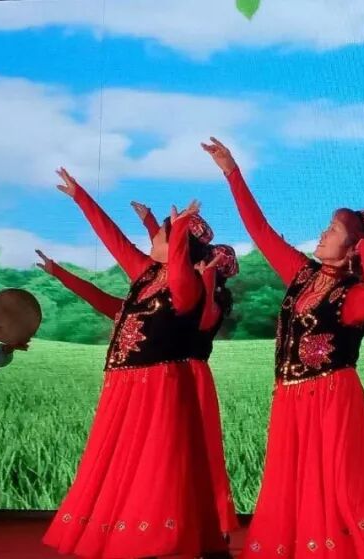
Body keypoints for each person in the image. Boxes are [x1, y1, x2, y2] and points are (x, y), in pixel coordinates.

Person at [202, 137, 364, 559]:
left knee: (342, 481)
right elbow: (261, 232)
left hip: (332, 395)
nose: (322, 232)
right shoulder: (302, 274)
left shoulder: (352, 295)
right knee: (293, 481)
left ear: (352, 248)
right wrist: (231, 172)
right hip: (291, 395)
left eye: (333, 230)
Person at [42, 168, 229, 559]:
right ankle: (129, 532)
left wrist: (177, 229)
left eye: (161, 236)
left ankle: (158, 537)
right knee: (120, 461)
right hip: (123, 383)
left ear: (179, 247)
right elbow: (114, 242)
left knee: (156, 462)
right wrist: (80, 197)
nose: (153, 239)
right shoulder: (146, 275)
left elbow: (181, 274)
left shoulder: (186, 286)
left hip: (158, 384)